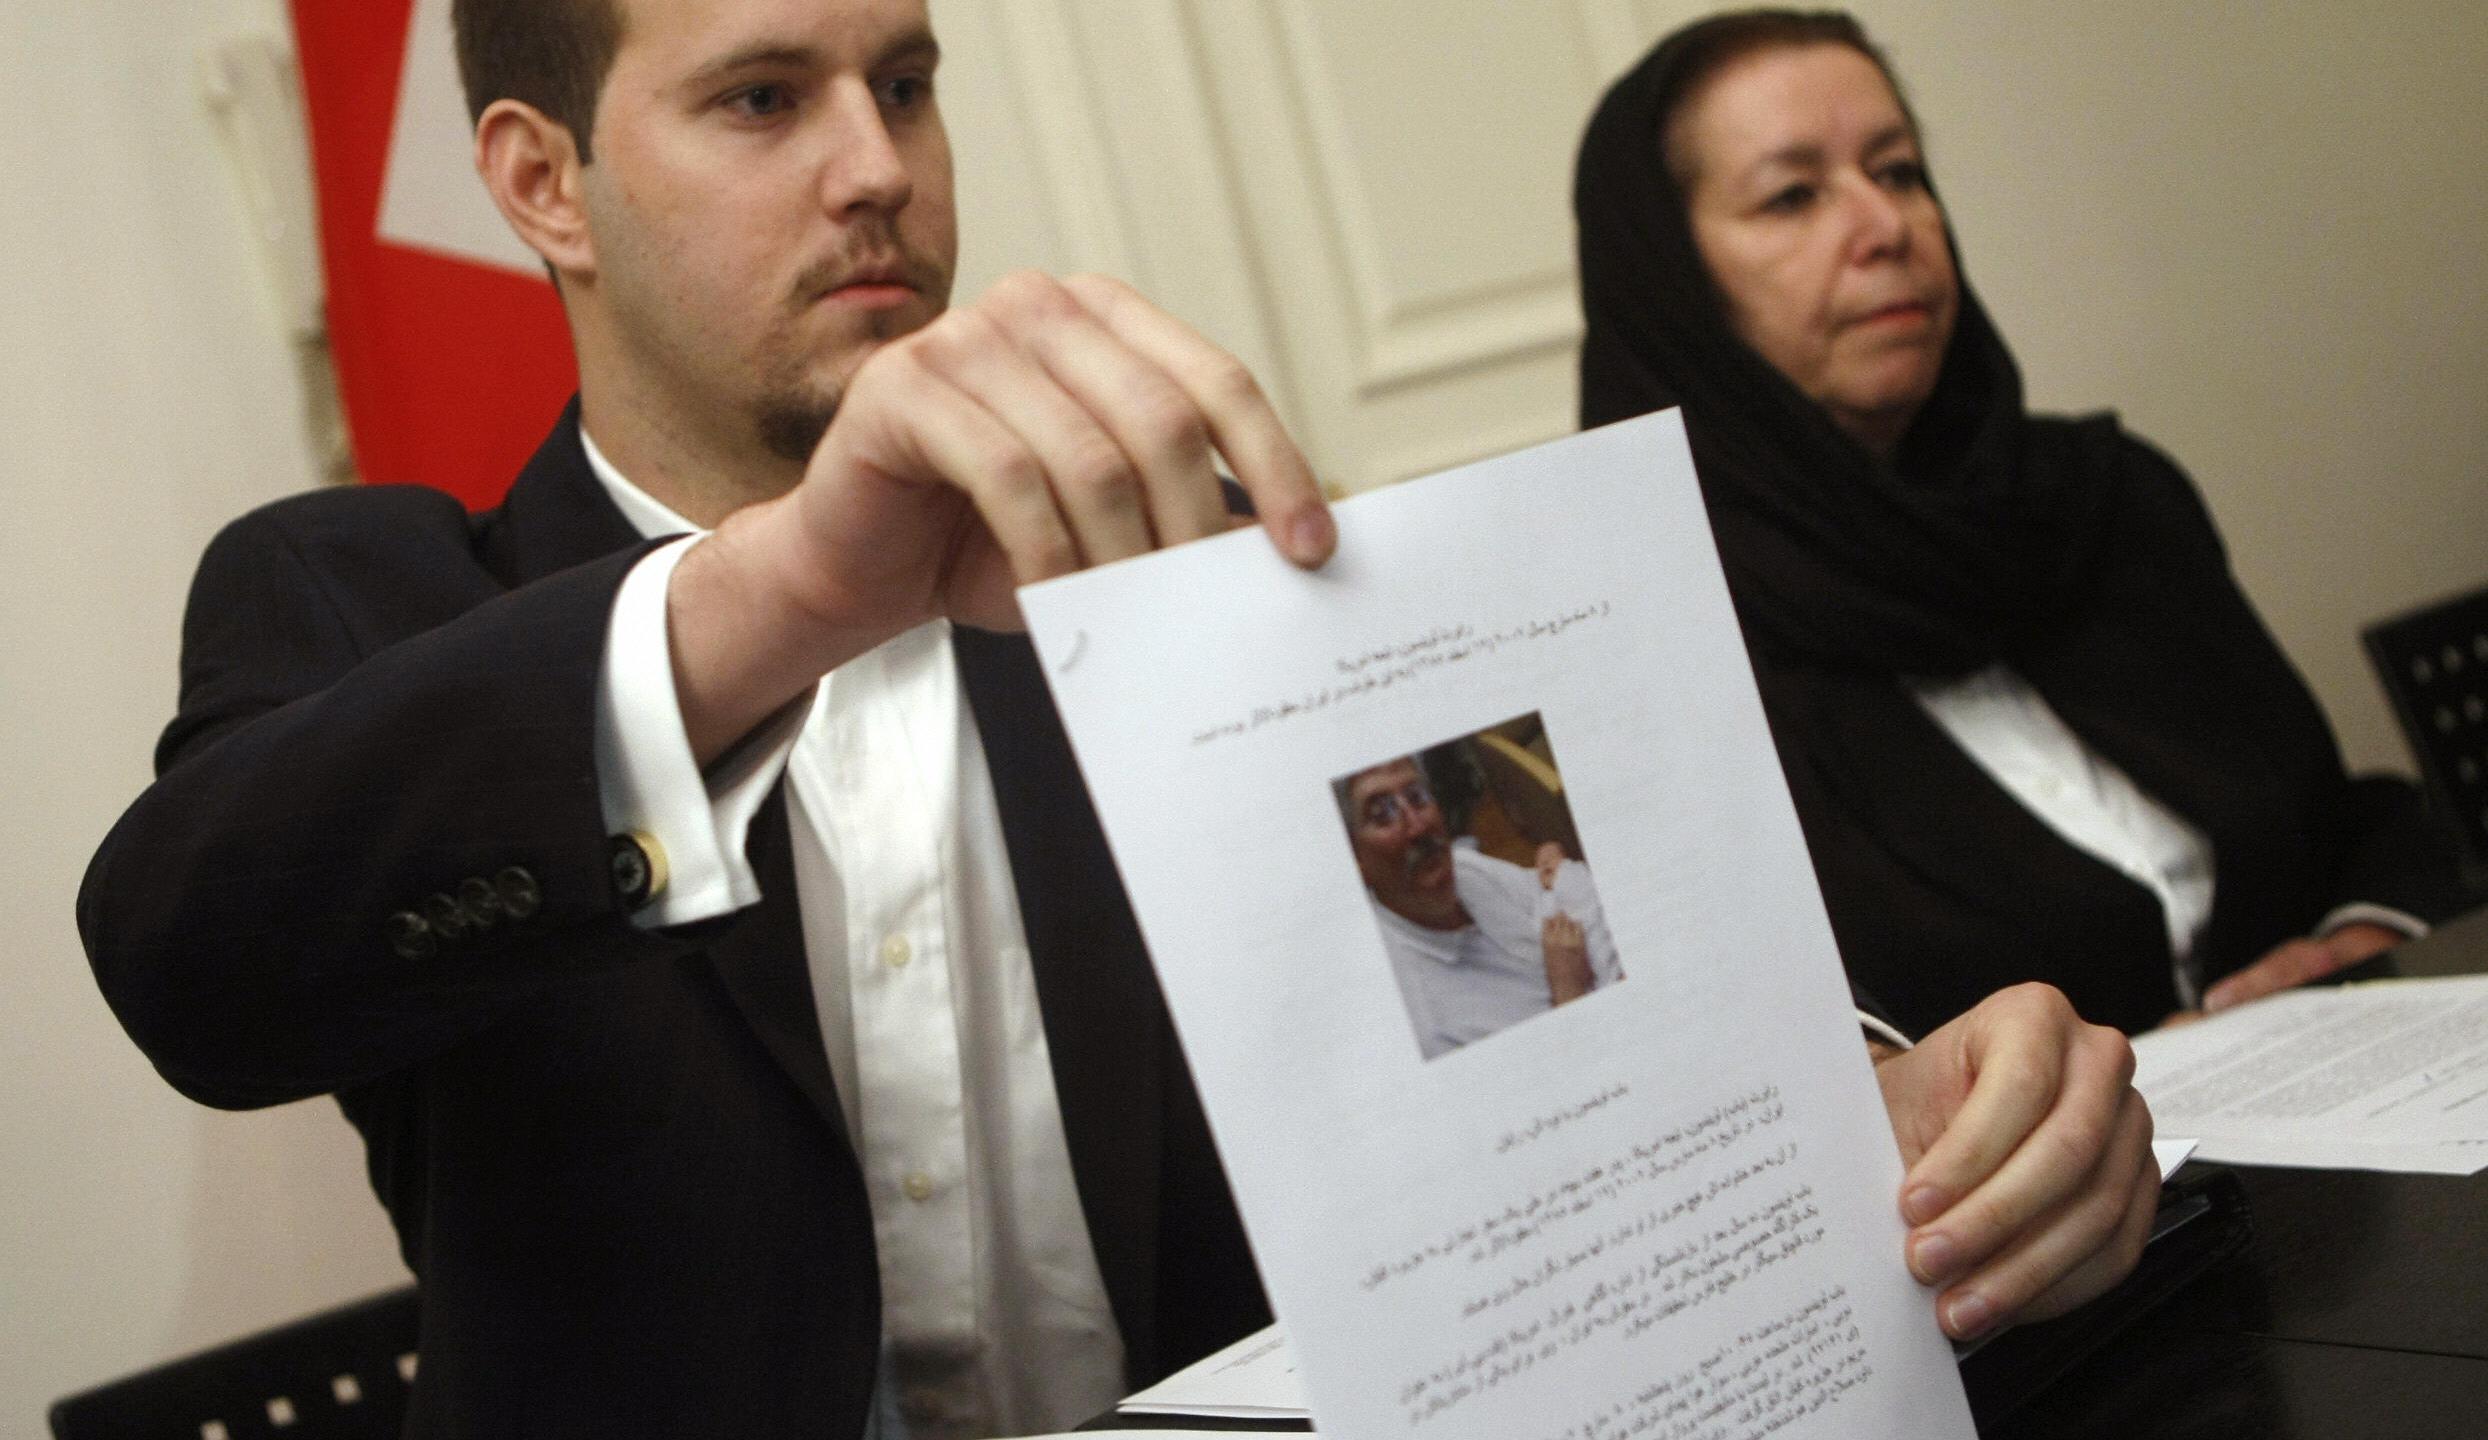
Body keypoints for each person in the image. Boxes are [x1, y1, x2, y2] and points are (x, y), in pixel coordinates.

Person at [81, 0, 2158, 1431]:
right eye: (760, 99)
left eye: (905, 80)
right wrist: (791, 587)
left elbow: (1537, 1001)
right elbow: (202, 959)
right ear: (541, 187)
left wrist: (1880, 1106)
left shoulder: (1160, 582)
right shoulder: (369, 594)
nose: (875, 166)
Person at [1573, 9, 2470, 1041]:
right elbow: (1728, 1054)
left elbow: (2347, 824)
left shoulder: (2111, 500)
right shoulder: (1639, 644)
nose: (1884, 227)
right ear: (1671, 288)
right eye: (1792, 195)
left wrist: (2358, 947)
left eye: (1899, 171)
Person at [1339, 757, 1622, 1058]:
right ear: (1353, 858)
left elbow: (1567, 887)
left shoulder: (1465, 867)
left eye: (1417, 798)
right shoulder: (1429, 1028)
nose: (1418, 826)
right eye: (1383, 814)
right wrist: (1570, 993)